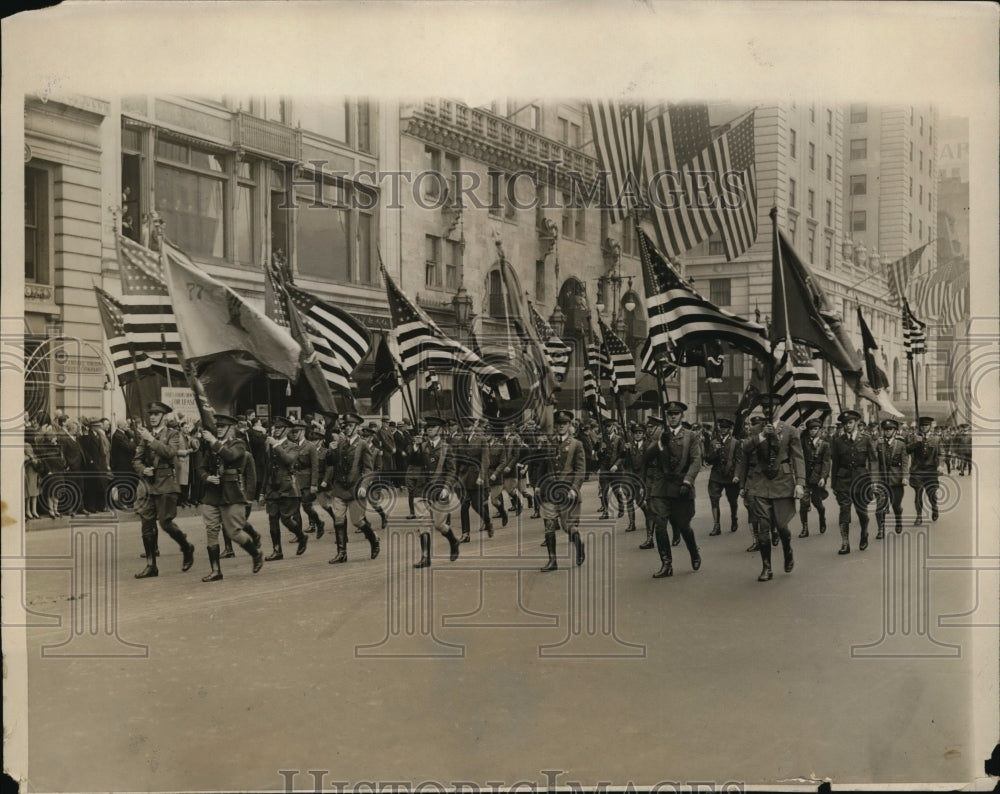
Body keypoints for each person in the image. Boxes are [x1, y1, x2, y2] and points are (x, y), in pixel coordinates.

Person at [735, 396, 805, 581]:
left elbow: (798, 458)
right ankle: (767, 567)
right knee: (763, 528)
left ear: (779, 407)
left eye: (771, 406)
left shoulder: (790, 431)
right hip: (761, 482)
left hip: (782, 482)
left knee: (782, 526)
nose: (767, 410)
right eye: (764, 407)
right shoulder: (756, 429)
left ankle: (787, 550)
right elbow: (745, 450)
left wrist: (800, 483)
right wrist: (762, 436)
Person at [196, 414, 264, 581]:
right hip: (212, 494)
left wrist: (213, 442)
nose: (218, 429)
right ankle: (216, 570)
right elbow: (201, 467)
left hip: (231, 493)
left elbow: (230, 455)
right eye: (217, 426)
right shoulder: (212, 445)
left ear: (231, 428)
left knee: (234, 532)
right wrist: (207, 478)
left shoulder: (238, 444)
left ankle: (255, 554)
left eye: (222, 426)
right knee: (211, 530)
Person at [132, 402, 197, 578]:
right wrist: (143, 469)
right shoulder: (144, 436)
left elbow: (170, 453)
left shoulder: (173, 434)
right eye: (150, 414)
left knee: (165, 522)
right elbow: (136, 459)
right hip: (148, 485)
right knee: (146, 525)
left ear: (164, 417)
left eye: (156, 414)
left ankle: (186, 546)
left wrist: (151, 440)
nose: (152, 416)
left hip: (166, 483)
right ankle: (151, 565)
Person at [643, 402, 702, 579]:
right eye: (669, 414)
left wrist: (688, 481)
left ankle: (694, 551)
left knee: (683, 526)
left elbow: (696, 460)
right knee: (660, 526)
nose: (673, 417)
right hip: (661, 487)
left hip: (681, 487)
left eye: (676, 414)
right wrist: (660, 444)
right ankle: (666, 564)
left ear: (682, 416)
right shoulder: (659, 434)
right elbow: (646, 457)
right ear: (666, 416)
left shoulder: (690, 436)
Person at [321, 412, 380, 564]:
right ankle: (342, 553)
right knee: (338, 519)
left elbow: (368, 469)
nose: (346, 428)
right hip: (339, 487)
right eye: (344, 426)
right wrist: (330, 451)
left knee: (357, 521)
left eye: (350, 426)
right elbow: (331, 463)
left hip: (355, 487)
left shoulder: (363, 444)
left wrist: (364, 485)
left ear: (356, 427)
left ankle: (373, 540)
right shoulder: (339, 443)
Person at [537, 410, 586, 572]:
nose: (561, 427)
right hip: (549, 491)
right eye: (558, 424)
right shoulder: (549, 443)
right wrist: (538, 484)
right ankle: (553, 561)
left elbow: (580, 470)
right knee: (549, 526)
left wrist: (574, 488)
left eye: (564, 424)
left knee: (567, 527)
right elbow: (542, 466)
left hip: (567, 492)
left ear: (569, 425)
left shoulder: (576, 444)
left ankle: (578, 543)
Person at [411, 416, 461, 568]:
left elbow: (452, 471)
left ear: (440, 429)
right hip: (422, 489)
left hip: (439, 490)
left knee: (440, 525)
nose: (429, 429)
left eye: (432, 427)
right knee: (423, 523)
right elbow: (413, 463)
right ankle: (426, 558)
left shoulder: (447, 448)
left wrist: (447, 487)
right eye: (428, 427)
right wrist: (415, 448)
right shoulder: (422, 446)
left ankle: (453, 540)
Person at [258, 416, 308, 560]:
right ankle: (277, 550)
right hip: (272, 487)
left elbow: (288, 460)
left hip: (287, 487)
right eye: (275, 427)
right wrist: (262, 492)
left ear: (287, 430)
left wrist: (275, 445)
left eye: (280, 428)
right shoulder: (269, 445)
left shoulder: (293, 445)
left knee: (286, 519)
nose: (276, 430)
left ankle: (301, 536)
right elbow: (267, 470)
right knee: (272, 519)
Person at [829, 409, 878, 554]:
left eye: (850, 422)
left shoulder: (866, 439)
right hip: (843, 480)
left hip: (861, 480)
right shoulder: (838, 441)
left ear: (856, 423)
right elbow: (835, 463)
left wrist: (874, 481)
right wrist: (833, 484)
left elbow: (874, 461)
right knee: (844, 511)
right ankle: (845, 542)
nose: (847, 426)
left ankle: (864, 533)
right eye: (845, 423)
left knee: (861, 511)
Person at [455, 416, 492, 542]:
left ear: (473, 427)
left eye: (468, 427)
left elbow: (485, 460)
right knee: (464, 506)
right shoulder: (459, 441)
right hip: (463, 478)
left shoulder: (481, 440)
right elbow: (456, 460)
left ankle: (488, 522)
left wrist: (482, 476)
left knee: (477, 506)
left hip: (476, 477)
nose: (466, 429)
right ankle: (466, 534)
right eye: (464, 427)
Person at [704, 416, 741, 536]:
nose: (723, 429)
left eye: (726, 427)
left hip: (730, 476)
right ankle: (716, 525)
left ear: (730, 429)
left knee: (732, 500)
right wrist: (715, 451)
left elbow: (738, 460)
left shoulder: (735, 442)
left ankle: (734, 517)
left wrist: (736, 475)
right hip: (716, 475)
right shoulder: (714, 442)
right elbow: (708, 460)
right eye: (721, 427)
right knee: (714, 499)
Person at [874, 418, 909, 538]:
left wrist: (905, 477)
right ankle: (880, 529)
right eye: (885, 430)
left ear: (895, 431)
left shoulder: (901, 444)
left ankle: (898, 519)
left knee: (896, 505)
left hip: (896, 479)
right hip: (881, 479)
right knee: (880, 506)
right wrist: (875, 444)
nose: (887, 432)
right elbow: (873, 460)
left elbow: (905, 462)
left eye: (890, 429)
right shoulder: (879, 443)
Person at [799, 417, 832, 537]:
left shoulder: (825, 444)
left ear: (820, 429)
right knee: (803, 503)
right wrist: (801, 430)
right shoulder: (804, 441)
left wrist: (823, 477)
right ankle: (804, 528)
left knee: (817, 503)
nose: (813, 431)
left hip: (817, 477)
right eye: (811, 429)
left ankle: (822, 518)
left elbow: (826, 462)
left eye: (815, 428)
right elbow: (797, 442)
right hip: (805, 476)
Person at [907, 416, 941, 525]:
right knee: (918, 494)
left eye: (926, 425)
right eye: (921, 425)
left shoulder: (936, 439)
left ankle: (934, 507)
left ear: (930, 426)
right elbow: (906, 450)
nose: (924, 427)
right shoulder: (913, 438)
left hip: (931, 470)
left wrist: (940, 465)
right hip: (917, 470)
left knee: (931, 494)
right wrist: (916, 443)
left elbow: (941, 453)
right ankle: (919, 516)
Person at [598, 421, 626, 521]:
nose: (607, 428)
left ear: (613, 426)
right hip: (604, 468)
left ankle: (621, 505)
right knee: (604, 490)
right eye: (605, 426)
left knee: (615, 489)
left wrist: (616, 465)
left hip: (615, 469)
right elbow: (598, 455)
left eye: (609, 426)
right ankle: (606, 511)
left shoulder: (619, 439)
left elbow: (623, 455)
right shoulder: (602, 439)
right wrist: (600, 451)